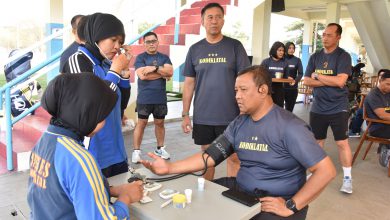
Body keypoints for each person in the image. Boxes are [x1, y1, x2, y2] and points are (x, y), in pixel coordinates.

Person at [142, 65, 336, 220]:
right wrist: (169, 167)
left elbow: (326, 171)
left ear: (263, 90)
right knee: (194, 202)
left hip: (277, 200)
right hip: (243, 191)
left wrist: (291, 205)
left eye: (243, 90)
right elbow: (209, 156)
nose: (237, 96)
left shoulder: (290, 127)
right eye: (236, 90)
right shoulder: (239, 123)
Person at [27, 73, 143, 219]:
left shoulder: (44, 142)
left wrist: (111, 190)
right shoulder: (80, 159)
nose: (105, 122)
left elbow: (62, 191)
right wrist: (126, 197)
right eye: (102, 116)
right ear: (85, 114)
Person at [181, 2, 251, 180]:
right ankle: (207, 193)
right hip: (203, 116)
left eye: (218, 17)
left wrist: (246, 110)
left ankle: (234, 195)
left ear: (223, 21)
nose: (214, 21)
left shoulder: (235, 46)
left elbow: (246, 81)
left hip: (231, 115)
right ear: (202, 21)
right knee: (207, 157)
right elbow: (189, 83)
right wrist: (185, 114)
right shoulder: (195, 49)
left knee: (234, 157)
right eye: (210, 17)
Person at [62, 12, 131, 178]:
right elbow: (92, 104)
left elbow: (120, 105)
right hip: (92, 153)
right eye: (113, 40)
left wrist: (124, 73)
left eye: (120, 42)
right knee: (97, 201)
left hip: (115, 150)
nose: (117, 46)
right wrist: (115, 71)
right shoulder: (78, 61)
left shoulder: (106, 64)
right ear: (97, 36)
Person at [303, 23, 353, 194]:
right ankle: (315, 172)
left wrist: (318, 76)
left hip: (338, 107)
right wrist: (327, 79)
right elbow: (307, 80)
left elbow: (341, 82)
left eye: (329, 35)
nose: (325, 38)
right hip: (318, 107)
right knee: (317, 142)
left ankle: (347, 179)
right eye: (323, 34)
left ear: (338, 37)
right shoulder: (314, 56)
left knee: (341, 143)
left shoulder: (343, 56)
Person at [132, 31, 173, 163]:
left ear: (157, 42)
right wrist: (162, 73)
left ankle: (160, 149)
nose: (151, 44)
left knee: (160, 123)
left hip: (160, 98)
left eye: (153, 41)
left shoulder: (164, 57)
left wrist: (153, 68)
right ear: (144, 44)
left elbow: (170, 72)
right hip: (145, 98)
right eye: (148, 41)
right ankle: (136, 151)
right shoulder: (140, 58)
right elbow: (142, 75)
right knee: (142, 123)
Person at [364, 69, 390, 167]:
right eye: (388, 84)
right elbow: (382, 115)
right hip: (376, 127)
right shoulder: (373, 95)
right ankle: (386, 152)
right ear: (380, 81)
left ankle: (386, 149)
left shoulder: (388, 93)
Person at [261, 41, 290, 107]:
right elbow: (260, 75)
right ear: (274, 50)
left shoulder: (285, 63)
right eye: (279, 50)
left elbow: (286, 77)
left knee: (278, 110)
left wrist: (289, 79)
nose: (281, 52)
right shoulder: (266, 62)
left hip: (279, 91)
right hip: (267, 90)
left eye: (283, 50)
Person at [284, 42, 303, 112]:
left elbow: (300, 73)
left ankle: (287, 122)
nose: (292, 50)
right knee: (278, 110)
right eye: (289, 48)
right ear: (286, 48)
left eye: (293, 48)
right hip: (280, 88)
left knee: (289, 110)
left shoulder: (297, 60)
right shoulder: (281, 59)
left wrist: (295, 81)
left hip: (292, 88)